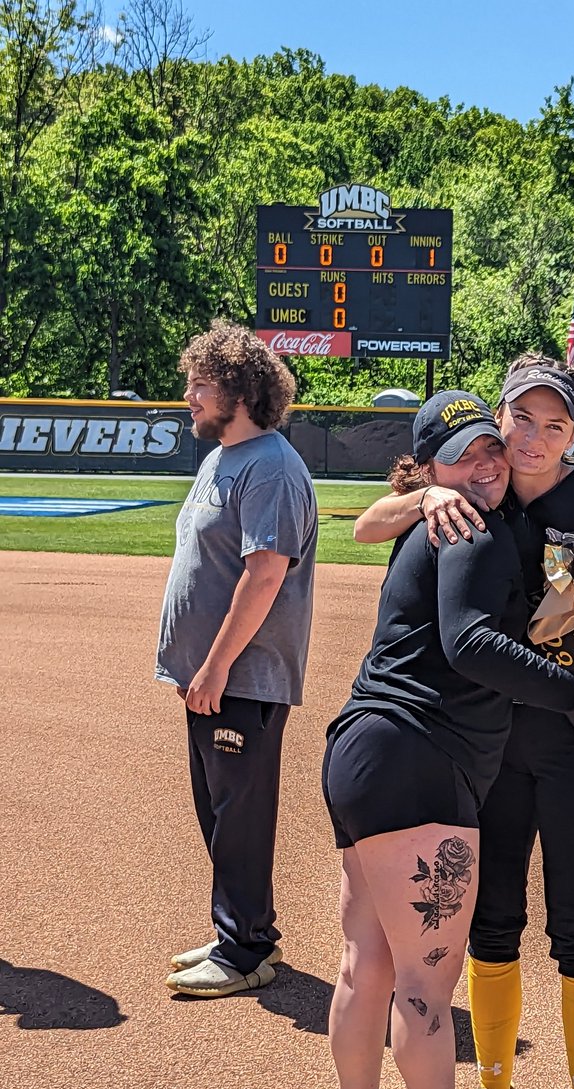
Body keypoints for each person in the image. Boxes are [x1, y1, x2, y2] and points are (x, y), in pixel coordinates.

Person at [322, 390, 574, 1089]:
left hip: (498, 750)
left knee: (393, 960)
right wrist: (423, 493)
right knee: (457, 953)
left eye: (555, 426)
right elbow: (392, 546)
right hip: (456, 754)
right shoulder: (468, 513)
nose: (517, 447)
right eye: (512, 430)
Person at [155, 321, 317, 998]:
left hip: (241, 678)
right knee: (220, 810)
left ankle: (246, 949)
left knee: (240, 814)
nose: (189, 394)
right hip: (210, 677)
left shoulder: (271, 466)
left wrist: (218, 665)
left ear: (242, 390)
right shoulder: (224, 456)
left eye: (202, 383)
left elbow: (264, 574)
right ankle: (236, 931)